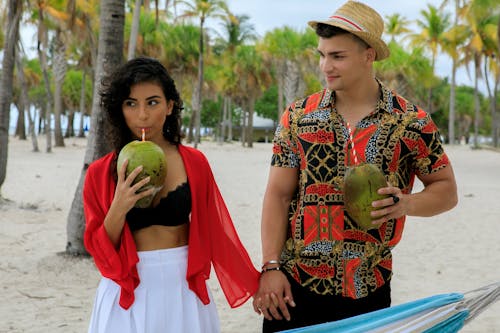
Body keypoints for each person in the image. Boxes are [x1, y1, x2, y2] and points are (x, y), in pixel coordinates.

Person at [252, 1, 458, 332]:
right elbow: (277, 195)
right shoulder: (298, 117)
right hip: (295, 287)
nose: (325, 66)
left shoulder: (411, 122)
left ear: (368, 56)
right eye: (322, 54)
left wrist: (407, 204)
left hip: (369, 289)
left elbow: (446, 190)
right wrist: (271, 267)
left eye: (337, 56)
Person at [83, 57, 259, 333]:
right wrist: (119, 205)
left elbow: (217, 230)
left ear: (170, 106)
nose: (142, 115)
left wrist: (258, 284)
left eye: (152, 102)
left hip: (183, 286)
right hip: (128, 289)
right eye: (131, 104)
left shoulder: (194, 163)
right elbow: (100, 250)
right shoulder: (100, 173)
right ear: (120, 109)